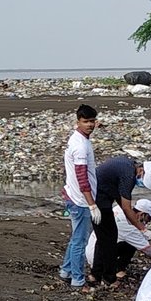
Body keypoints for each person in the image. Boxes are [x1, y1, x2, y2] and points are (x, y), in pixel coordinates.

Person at [59, 105, 98, 288]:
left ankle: (66, 270)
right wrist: (92, 204)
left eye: (92, 121)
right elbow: (82, 177)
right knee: (80, 241)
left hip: (73, 195)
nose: (90, 125)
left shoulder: (79, 139)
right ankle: (77, 279)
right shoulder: (80, 146)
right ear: (78, 122)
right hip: (80, 200)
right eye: (86, 121)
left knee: (77, 237)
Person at [84, 197, 151, 280]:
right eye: (149, 218)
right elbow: (147, 249)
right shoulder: (129, 227)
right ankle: (118, 269)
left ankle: (112, 269)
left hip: (94, 249)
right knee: (132, 245)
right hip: (97, 258)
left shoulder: (119, 209)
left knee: (130, 241)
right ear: (141, 214)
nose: (149, 221)